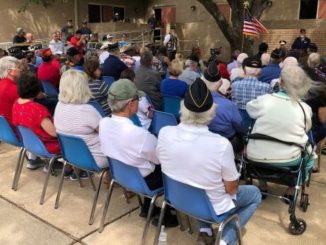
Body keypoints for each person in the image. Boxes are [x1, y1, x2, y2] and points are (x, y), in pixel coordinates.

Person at [156, 78, 261, 245]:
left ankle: (205, 231)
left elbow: (163, 162)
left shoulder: (164, 132)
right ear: (212, 112)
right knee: (255, 194)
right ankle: (225, 240)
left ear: (183, 108)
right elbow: (232, 190)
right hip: (210, 206)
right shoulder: (220, 145)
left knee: (200, 180)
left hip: (177, 199)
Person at [99, 79, 178, 226]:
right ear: (130, 104)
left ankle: (148, 207)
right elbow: (161, 158)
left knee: (145, 163)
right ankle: (167, 214)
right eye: (138, 99)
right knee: (172, 165)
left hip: (122, 175)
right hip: (144, 180)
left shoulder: (103, 123)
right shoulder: (138, 134)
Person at [246, 65, 314, 200]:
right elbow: (305, 129)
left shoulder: (265, 100)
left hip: (256, 154)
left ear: (281, 82)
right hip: (288, 158)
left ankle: (263, 186)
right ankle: (291, 188)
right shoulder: (304, 108)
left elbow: (250, 109)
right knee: (310, 157)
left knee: (260, 145)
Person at [54, 69, 108, 179]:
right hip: (94, 158)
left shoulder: (59, 106)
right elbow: (107, 135)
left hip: (71, 156)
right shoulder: (87, 110)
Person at [12, 71, 61, 155]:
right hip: (45, 146)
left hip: (30, 143)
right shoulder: (38, 109)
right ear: (37, 89)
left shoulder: (16, 103)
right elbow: (54, 133)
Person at [202, 61, 244, 153]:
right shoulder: (229, 105)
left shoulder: (196, 100)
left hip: (203, 141)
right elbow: (239, 125)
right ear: (220, 83)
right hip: (226, 142)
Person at [231, 57, 273, 129]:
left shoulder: (235, 85)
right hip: (257, 125)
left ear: (244, 69)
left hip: (239, 124)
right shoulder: (267, 87)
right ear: (260, 71)